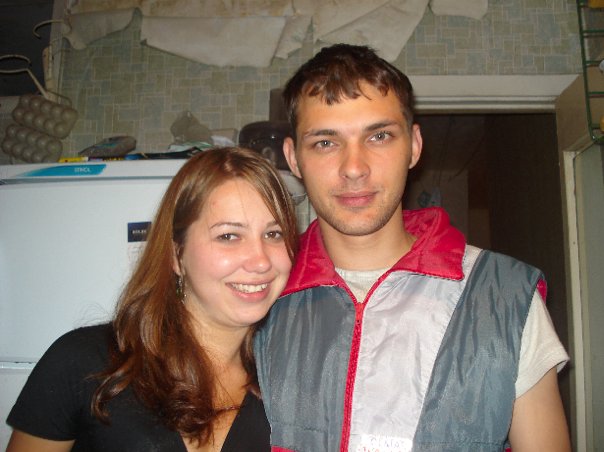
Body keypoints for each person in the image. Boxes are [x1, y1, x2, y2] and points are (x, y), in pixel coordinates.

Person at [254, 44, 571, 451]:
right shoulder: (257, 294)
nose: (354, 168)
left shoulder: (506, 296)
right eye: (325, 143)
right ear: (293, 158)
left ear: (414, 146)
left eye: (379, 136)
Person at [6, 147, 297, 452]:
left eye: (274, 234)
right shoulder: (83, 363)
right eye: (228, 236)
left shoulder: (289, 381)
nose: (260, 261)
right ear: (176, 255)